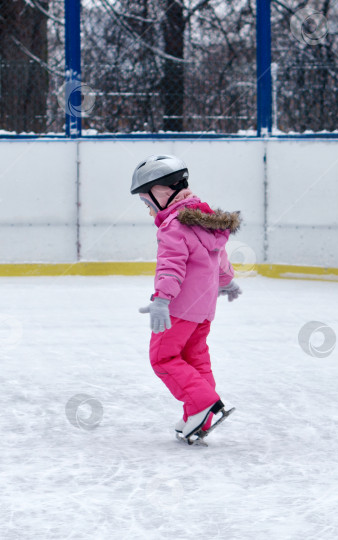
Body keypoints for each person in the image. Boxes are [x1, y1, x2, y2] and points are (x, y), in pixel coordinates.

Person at [132, 155, 242, 445]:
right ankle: (200, 414)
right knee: (196, 358)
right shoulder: (205, 222)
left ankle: (204, 403)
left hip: (179, 308)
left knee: (162, 358)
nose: (147, 209)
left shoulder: (173, 226)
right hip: (204, 309)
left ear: (162, 192)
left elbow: (170, 267)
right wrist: (227, 281)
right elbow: (218, 257)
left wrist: (161, 300)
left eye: (147, 202)